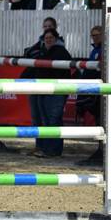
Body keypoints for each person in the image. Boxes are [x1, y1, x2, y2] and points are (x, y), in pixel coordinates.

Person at [29, 28, 72, 157]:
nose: (48, 40)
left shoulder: (61, 51)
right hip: (43, 89)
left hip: (56, 90)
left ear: (56, 39)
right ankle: (45, 149)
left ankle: (53, 150)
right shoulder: (42, 50)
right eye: (46, 38)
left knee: (53, 120)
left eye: (51, 38)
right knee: (44, 121)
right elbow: (28, 53)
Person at [76, 26, 103, 166]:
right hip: (93, 90)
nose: (94, 37)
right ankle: (100, 148)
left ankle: (103, 149)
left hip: (100, 90)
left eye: (97, 35)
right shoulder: (95, 50)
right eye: (93, 35)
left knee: (102, 120)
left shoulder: (103, 50)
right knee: (98, 119)